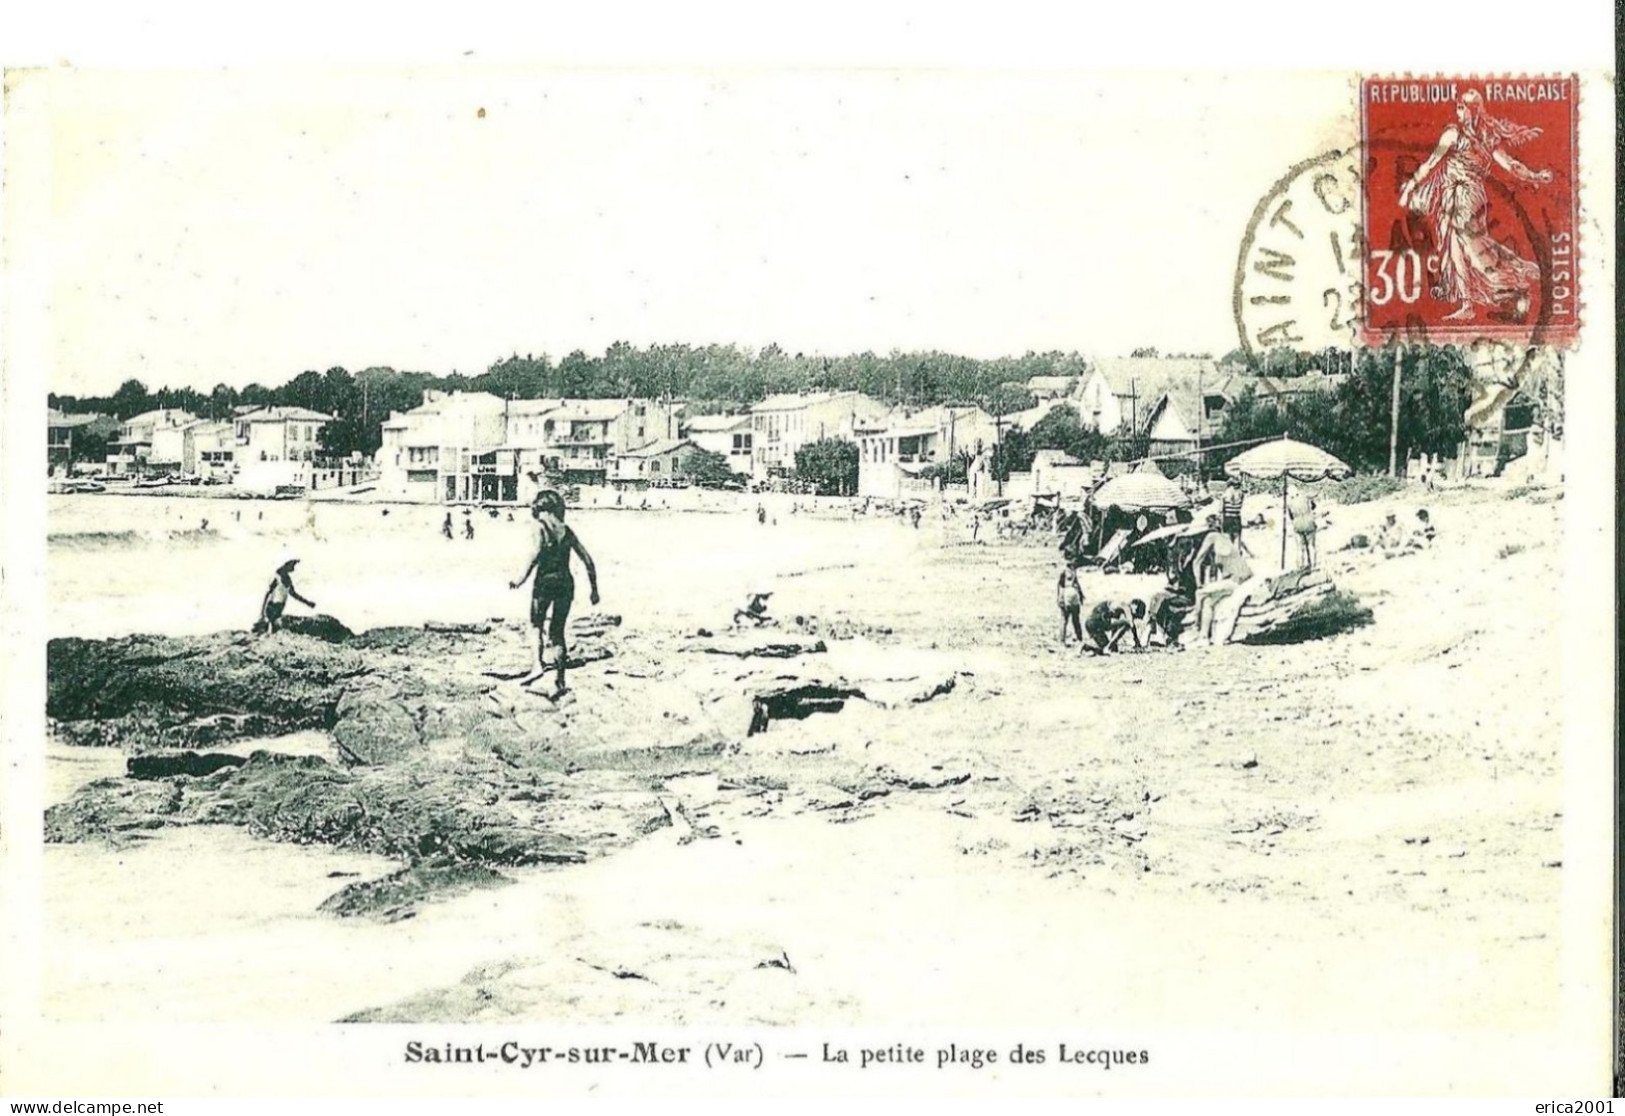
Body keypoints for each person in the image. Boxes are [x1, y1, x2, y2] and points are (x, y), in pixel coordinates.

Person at [1398, 89, 1554, 324]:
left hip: (1469, 197)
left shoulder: (1487, 138)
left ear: (1474, 110)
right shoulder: (1452, 133)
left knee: (1473, 245)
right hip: (1449, 196)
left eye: (1464, 107)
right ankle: (1467, 303)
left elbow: (1511, 165)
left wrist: (1534, 177)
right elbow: (1432, 162)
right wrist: (1411, 184)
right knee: (1453, 247)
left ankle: (1513, 278)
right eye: (1458, 106)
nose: (1459, 111)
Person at [509, 490, 601, 697]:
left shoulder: (539, 527)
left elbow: (535, 554)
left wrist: (519, 579)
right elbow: (588, 560)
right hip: (566, 583)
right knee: (557, 632)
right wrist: (594, 590)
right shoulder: (567, 531)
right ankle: (560, 680)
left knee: (535, 625)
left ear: (543, 509)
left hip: (545, 582)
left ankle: (537, 666)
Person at [257, 559, 315, 635]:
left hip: (279, 607)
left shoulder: (288, 579)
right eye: (292, 564)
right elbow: (268, 594)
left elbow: (294, 594)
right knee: (273, 627)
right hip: (272, 607)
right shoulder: (276, 577)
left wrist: (308, 603)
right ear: (286, 565)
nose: (294, 567)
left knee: (276, 628)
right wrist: (262, 612)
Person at [1286, 484, 1318, 570]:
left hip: (1298, 524)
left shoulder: (1289, 503)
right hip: (1309, 522)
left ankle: (1300, 566)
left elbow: (1291, 516)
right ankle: (1313, 565)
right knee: (1311, 545)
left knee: (1300, 548)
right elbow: (1314, 506)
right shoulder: (1305, 497)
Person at [1057, 563, 1084, 645]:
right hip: (1072, 595)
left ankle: (1062, 640)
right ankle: (1079, 638)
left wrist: (1059, 598)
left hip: (1068, 595)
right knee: (1075, 619)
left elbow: (1060, 585)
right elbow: (1076, 584)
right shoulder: (1072, 571)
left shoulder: (1065, 571)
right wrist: (1081, 595)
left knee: (1064, 619)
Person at [1221, 479, 1245, 543]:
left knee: (1227, 539)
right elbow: (1241, 506)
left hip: (1227, 518)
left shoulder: (1225, 495)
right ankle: (1237, 551)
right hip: (1236, 517)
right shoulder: (1241, 494)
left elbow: (1221, 509)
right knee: (1237, 539)